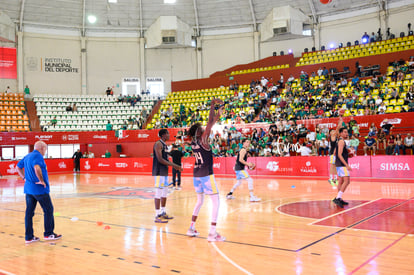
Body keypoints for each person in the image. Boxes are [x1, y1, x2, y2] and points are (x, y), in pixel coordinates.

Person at [186, 98, 226, 242]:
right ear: (199, 132)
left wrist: (216, 112)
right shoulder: (203, 140)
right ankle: (212, 233)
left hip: (196, 174)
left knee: (199, 201)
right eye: (201, 129)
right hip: (206, 175)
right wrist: (214, 109)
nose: (204, 129)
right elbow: (209, 123)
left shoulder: (193, 142)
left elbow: (210, 123)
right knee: (216, 202)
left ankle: (191, 228)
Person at [16, 141, 62, 244]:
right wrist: (41, 180)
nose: (45, 151)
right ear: (41, 148)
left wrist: (24, 178)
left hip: (28, 189)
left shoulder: (27, 156)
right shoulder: (38, 156)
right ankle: (48, 233)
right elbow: (37, 168)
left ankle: (29, 237)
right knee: (48, 210)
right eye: (45, 149)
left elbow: (18, 167)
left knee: (29, 213)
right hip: (39, 190)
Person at [152, 129, 183, 223]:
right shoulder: (158, 144)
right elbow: (160, 159)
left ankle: (163, 212)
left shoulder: (164, 145)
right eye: (168, 134)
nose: (169, 135)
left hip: (164, 171)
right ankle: (157, 215)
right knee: (158, 193)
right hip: (158, 172)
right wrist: (175, 165)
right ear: (163, 135)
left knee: (164, 193)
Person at [332, 128, 353, 208]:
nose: (346, 133)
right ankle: (338, 198)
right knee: (347, 181)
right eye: (344, 132)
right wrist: (346, 165)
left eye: (347, 132)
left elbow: (335, 153)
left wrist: (347, 154)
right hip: (342, 164)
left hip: (338, 163)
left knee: (341, 181)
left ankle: (339, 198)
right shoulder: (341, 141)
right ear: (340, 133)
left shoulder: (339, 141)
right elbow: (339, 154)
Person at [328, 119, 342, 187]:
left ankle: (335, 179)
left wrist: (340, 124)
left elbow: (339, 130)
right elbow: (337, 129)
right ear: (330, 133)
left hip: (337, 153)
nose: (334, 132)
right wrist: (340, 123)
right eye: (332, 131)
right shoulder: (332, 136)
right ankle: (330, 178)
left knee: (336, 166)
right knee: (332, 165)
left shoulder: (336, 138)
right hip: (332, 153)